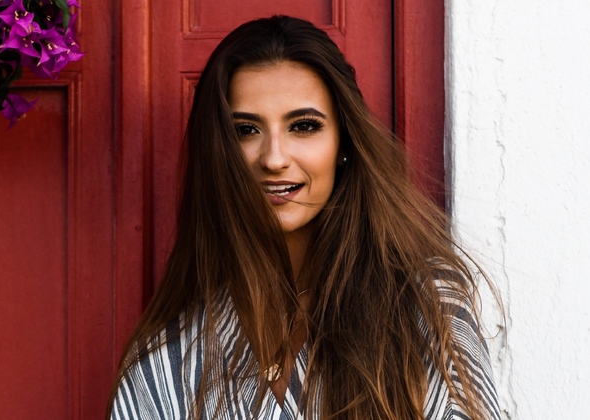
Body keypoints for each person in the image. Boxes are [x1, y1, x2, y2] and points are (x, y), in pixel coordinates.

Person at [108, 15, 500, 420]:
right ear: (217, 152)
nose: (274, 158)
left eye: (304, 126)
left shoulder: (424, 309)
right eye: (245, 130)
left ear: (343, 143)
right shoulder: (166, 367)